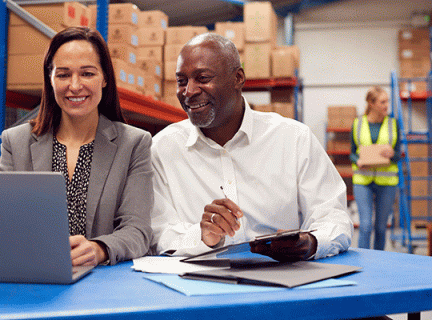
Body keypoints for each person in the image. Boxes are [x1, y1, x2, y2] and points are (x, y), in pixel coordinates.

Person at [150, 33, 353, 261]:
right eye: (181, 81)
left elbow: (334, 216)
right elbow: (159, 233)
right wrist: (202, 236)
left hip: (284, 280)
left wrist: (311, 242)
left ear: (238, 78)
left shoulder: (294, 139)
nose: (189, 91)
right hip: (200, 287)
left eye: (203, 78)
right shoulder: (163, 149)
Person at [0, 27, 153, 266]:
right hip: (36, 277)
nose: (75, 85)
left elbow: (138, 231)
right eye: (63, 75)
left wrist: (99, 249)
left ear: (104, 78)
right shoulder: (15, 142)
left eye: (87, 73)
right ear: (50, 80)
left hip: (102, 283)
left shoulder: (133, 144)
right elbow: (4, 222)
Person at [350, 86, 400, 250]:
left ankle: (378, 263)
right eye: (382, 102)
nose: (386, 105)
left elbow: (398, 154)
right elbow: (352, 153)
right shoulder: (357, 123)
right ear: (371, 104)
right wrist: (357, 160)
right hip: (363, 180)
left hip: (386, 182)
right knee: (365, 226)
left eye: (387, 102)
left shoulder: (393, 124)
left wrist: (392, 153)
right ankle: (363, 264)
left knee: (380, 228)